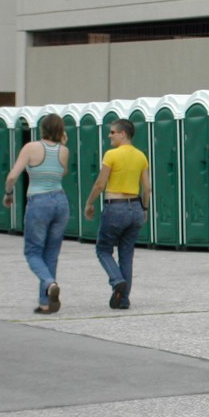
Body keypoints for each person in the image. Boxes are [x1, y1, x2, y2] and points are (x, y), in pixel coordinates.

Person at [3, 113, 70, 314]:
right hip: (60, 201)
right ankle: (45, 302)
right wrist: (62, 143)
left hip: (39, 202)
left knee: (33, 251)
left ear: (42, 129)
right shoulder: (64, 150)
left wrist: (8, 193)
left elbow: (13, 175)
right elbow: (62, 173)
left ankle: (50, 284)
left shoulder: (31, 148)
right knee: (51, 253)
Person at [84, 119, 151, 310]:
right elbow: (147, 188)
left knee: (103, 249)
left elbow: (99, 184)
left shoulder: (111, 155)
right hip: (135, 208)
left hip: (115, 207)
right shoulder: (140, 156)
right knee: (126, 254)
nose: (109, 135)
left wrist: (89, 203)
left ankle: (116, 280)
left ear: (123, 134)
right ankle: (123, 299)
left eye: (112, 132)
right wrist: (144, 209)